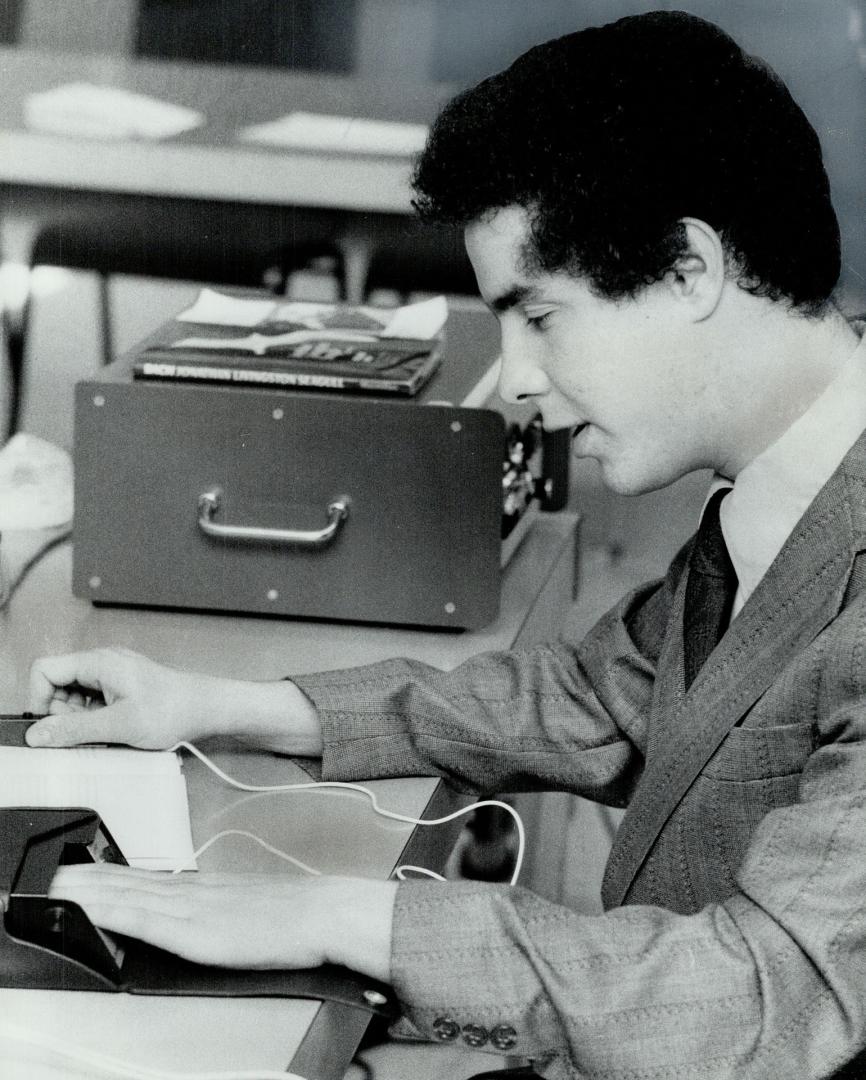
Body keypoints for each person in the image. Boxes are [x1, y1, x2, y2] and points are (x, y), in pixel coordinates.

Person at [23, 10, 866, 1078]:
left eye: (541, 318)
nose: (512, 377)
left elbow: (766, 999)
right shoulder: (788, 477)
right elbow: (597, 698)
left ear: (687, 269)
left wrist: (342, 917)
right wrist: (219, 706)